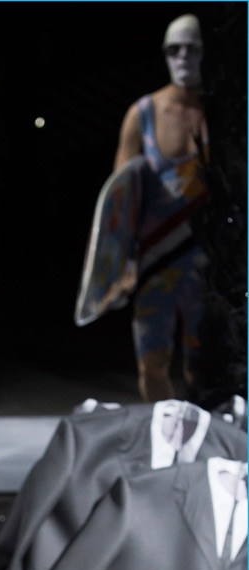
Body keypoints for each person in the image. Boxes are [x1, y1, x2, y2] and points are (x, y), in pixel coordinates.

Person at [113, 12, 209, 402]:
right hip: (155, 260)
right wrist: (119, 264)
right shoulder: (143, 114)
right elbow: (119, 200)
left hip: (211, 262)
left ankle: (208, 436)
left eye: (192, 49)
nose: (183, 58)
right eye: (174, 49)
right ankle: (166, 435)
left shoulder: (227, 111)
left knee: (206, 364)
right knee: (152, 362)